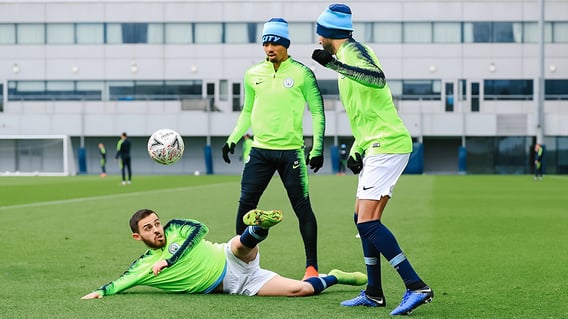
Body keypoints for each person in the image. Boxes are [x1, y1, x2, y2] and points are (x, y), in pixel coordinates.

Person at [312, 4, 433, 316]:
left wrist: (335, 66)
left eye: (319, 32)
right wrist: (356, 148)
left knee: (367, 221)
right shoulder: (346, 56)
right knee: (363, 220)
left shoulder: (353, 52)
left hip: (388, 145)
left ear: (327, 34)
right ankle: (374, 292)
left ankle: (415, 286)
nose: (317, 37)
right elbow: (366, 112)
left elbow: (377, 80)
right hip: (378, 144)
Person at [222, 17, 326, 280]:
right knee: (246, 205)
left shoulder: (302, 73)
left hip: (291, 152)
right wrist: (232, 138)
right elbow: (247, 111)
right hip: (260, 152)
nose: (270, 48)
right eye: (266, 43)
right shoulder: (253, 74)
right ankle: (241, 264)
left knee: (302, 207)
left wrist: (317, 148)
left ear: (286, 44)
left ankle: (311, 267)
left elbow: (317, 112)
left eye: (275, 43)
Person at [81, 208, 367, 299]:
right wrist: (101, 292)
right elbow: (120, 282)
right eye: (149, 228)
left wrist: (171, 258)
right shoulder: (144, 266)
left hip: (228, 257)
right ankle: (336, 277)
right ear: (138, 236)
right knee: (301, 290)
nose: (157, 229)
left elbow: (200, 230)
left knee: (239, 245)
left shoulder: (178, 229)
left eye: (157, 223)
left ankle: (260, 227)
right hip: (239, 285)